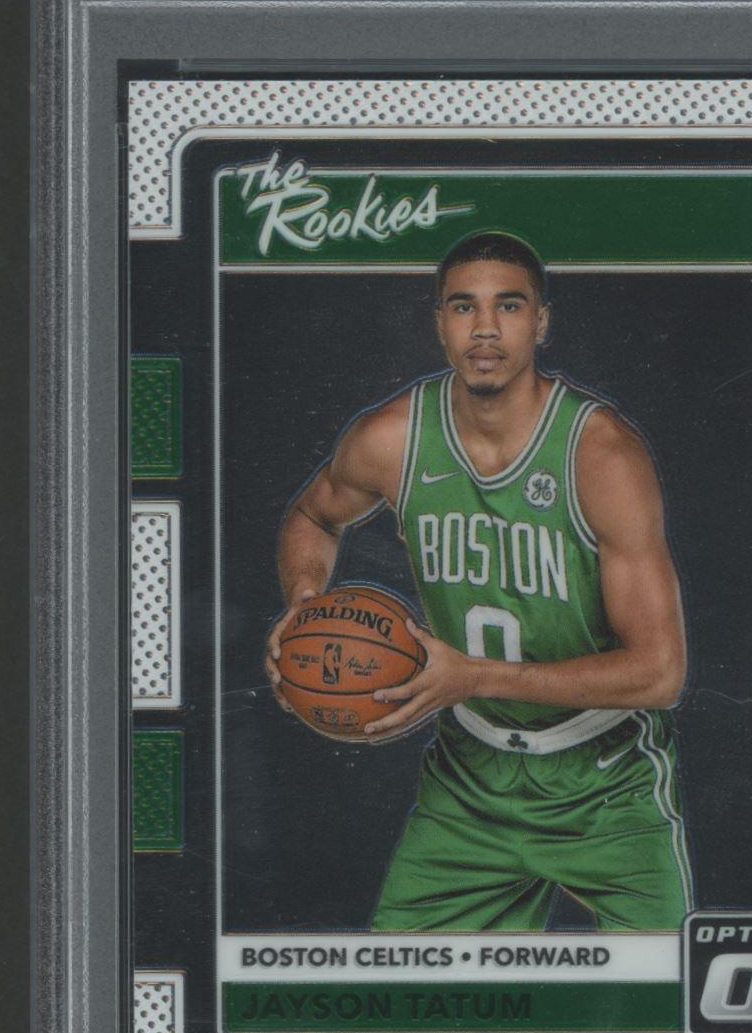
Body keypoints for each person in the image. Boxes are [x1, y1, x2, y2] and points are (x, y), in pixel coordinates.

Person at [266, 231, 693, 932]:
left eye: (509, 306)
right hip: (467, 782)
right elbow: (314, 515)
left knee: (672, 994)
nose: (485, 327)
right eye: (464, 307)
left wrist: (473, 676)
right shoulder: (392, 438)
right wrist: (305, 605)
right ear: (439, 323)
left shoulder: (600, 454)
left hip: (606, 785)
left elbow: (659, 672)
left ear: (541, 321)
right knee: (394, 992)